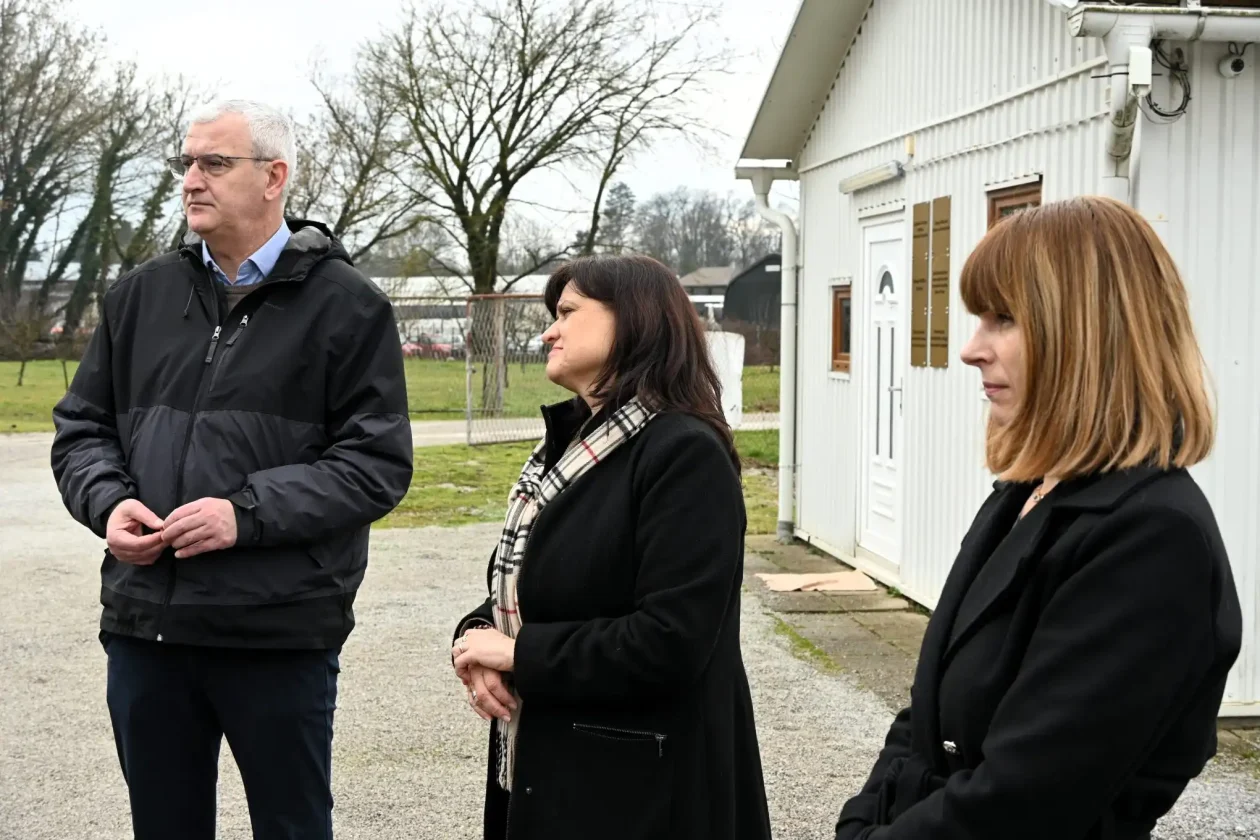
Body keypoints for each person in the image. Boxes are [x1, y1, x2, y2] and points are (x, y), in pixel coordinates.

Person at [49, 99, 413, 840]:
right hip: (147, 627)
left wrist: (244, 513)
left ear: (274, 177)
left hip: (277, 633)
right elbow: (81, 428)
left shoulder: (350, 307)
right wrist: (108, 504)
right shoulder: (139, 296)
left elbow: (375, 462)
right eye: (186, 162)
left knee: (292, 827)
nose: (191, 180)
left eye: (214, 163)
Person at [832, 195, 1243, 840]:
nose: (971, 349)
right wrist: (861, 819)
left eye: (1003, 319)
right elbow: (927, 714)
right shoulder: (1025, 492)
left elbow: (1022, 801)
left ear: (1089, 332)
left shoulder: (1152, 537)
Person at [448, 254, 773, 840]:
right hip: (548, 772)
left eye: (568, 311)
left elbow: (672, 640)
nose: (549, 330)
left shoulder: (683, 454)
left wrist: (522, 655)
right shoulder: (569, 448)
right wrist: (473, 643)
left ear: (634, 320)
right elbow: (537, 593)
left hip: (641, 793)